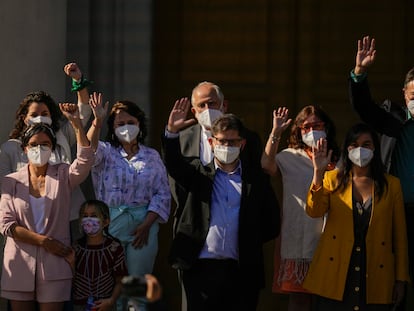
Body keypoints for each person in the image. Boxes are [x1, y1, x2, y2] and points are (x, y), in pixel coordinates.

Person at [162, 98, 280, 311]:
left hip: (241, 270)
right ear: (211, 142)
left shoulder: (256, 180)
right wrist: (171, 133)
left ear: (242, 144)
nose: (227, 146)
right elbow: (174, 165)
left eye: (232, 142)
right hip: (199, 267)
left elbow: (271, 222)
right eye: (222, 141)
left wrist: (248, 236)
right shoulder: (198, 173)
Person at [303, 123, 410, 310]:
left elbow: (399, 237)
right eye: (354, 145)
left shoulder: (392, 185)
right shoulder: (332, 179)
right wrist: (318, 174)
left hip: (376, 272)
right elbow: (314, 211)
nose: (360, 150)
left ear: (375, 149)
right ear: (347, 149)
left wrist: (400, 279)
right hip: (336, 271)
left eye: (366, 144)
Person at [0, 103, 94, 311]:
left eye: (45, 144)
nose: (39, 149)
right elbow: (6, 225)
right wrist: (45, 242)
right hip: (19, 264)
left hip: (55, 265)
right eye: (33, 145)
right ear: (25, 149)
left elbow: (85, 160)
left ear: (52, 148)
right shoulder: (11, 181)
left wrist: (77, 125)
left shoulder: (62, 174)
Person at [87, 93, 171, 310]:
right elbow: (89, 150)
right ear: (113, 127)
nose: (126, 127)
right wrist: (97, 121)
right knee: (108, 285)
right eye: (120, 123)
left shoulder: (152, 156)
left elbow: (162, 193)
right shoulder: (106, 152)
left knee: (137, 288)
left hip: (143, 228)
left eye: (130, 122)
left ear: (140, 124)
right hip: (110, 225)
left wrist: (146, 225)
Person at [349, 35, 414, 308]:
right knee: (391, 283)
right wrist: (360, 73)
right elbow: (364, 107)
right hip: (394, 211)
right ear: (405, 94)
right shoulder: (392, 118)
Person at [261, 105, 340, 311]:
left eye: (317, 125)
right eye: (306, 127)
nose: (312, 131)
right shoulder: (290, 157)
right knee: (299, 301)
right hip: (299, 238)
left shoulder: (340, 160)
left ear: (326, 127)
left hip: (330, 239)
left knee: (328, 300)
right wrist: (276, 132)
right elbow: (266, 165)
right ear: (298, 131)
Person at [69, 199, 128, 311]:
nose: (89, 220)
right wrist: (71, 264)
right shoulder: (76, 247)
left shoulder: (114, 248)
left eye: (94, 215)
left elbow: (121, 280)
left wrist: (111, 301)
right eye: (85, 216)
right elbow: (71, 281)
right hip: (79, 306)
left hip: (106, 306)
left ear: (106, 222)